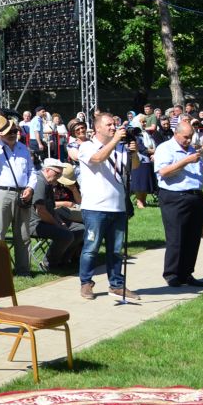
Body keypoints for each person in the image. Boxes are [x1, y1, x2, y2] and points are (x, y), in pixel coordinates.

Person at [72, 114, 137, 300]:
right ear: (98, 128)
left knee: (116, 250)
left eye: (114, 124)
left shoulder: (120, 147)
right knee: (91, 247)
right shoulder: (86, 146)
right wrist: (115, 140)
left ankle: (117, 285)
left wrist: (134, 152)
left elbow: (135, 166)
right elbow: (98, 158)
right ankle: (86, 283)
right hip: (95, 207)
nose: (113, 127)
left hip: (118, 206)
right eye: (109, 124)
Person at [154, 116, 203, 288]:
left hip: (194, 196)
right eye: (185, 137)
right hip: (174, 197)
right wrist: (184, 161)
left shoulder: (192, 150)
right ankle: (171, 274)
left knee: (193, 238)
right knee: (176, 237)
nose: (188, 140)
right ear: (176, 134)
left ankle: (187, 273)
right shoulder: (166, 148)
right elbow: (163, 172)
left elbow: (198, 176)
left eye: (190, 136)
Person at [0, 115, 36, 276]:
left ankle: (23, 270)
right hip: (0, 193)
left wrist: (31, 188)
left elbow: (32, 171)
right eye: (8, 131)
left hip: (23, 193)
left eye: (14, 130)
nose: (12, 133)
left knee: (23, 234)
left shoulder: (23, 148)